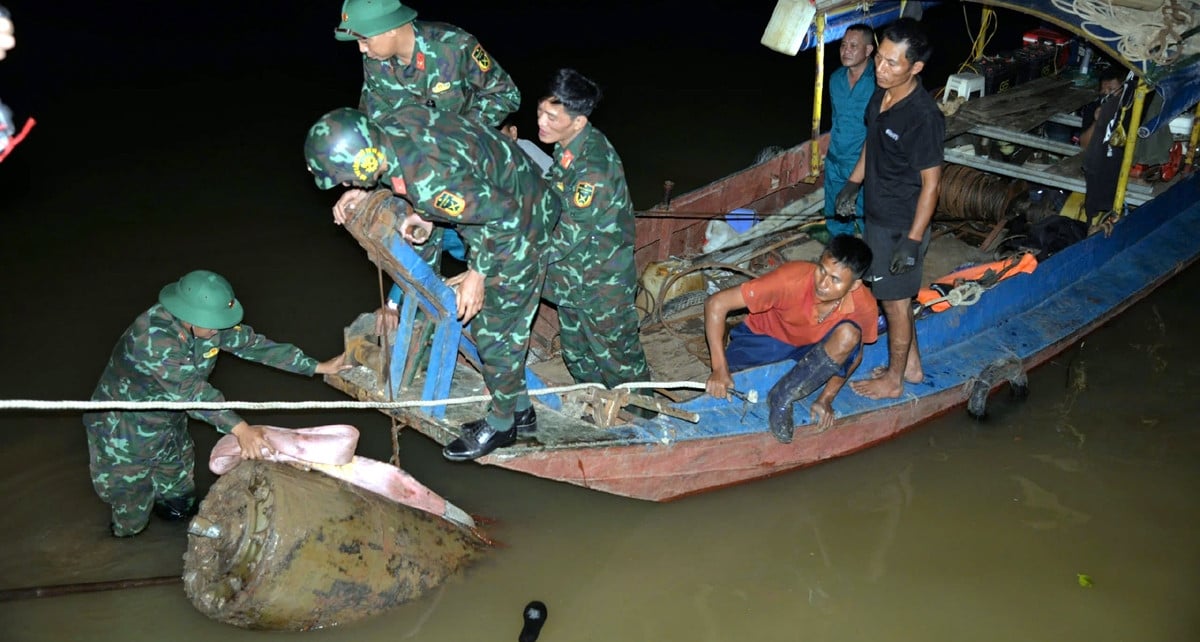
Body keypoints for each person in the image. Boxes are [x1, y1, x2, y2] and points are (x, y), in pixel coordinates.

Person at [305, 105, 559, 461]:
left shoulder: (429, 184)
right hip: (509, 192)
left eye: (346, 178)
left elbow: (502, 216)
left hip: (522, 220)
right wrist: (368, 192)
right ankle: (521, 410)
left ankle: (504, 425)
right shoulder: (392, 125)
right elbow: (441, 175)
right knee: (488, 324)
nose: (346, 184)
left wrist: (477, 274)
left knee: (495, 330)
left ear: (363, 162)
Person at [84, 270, 348, 537]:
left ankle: (173, 535)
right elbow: (192, 393)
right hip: (123, 434)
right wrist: (241, 430)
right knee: (132, 510)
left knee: (180, 499)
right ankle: (125, 543)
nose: (217, 329)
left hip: (169, 423)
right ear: (188, 316)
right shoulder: (153, 338)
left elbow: (255, 345)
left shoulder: (208, 328)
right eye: (212, 323)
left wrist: (318, 366)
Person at [838, 17, 944, 400]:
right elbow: (873, 141)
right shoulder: (880, 92)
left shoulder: (923, 117)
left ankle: (895, 379)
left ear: (915, 67)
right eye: (880, 58)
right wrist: (854, 182)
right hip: (877, 216)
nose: (880, 69)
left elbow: (932, 185)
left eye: (892, 63)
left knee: (895, 304)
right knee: (893, 297)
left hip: (902, 226)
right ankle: (911, 367)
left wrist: (913, 242)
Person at [536, 68, 651, 393]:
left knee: (619, 362)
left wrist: (516, 257)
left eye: (552, 117)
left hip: (601, 284)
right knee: (577, 354)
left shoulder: (594, 169)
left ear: (578, 122)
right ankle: (594, 404)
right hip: (571, 282)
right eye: (541, 111)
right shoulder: (567, 146)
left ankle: (647, 422)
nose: (542, 122)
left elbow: (565, 238)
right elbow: (552, 193)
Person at [704, 235, 878, 441]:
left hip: (811, 345)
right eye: (822, 270)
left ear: (855, 285)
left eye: (835, 280)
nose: (823, 283)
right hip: (764, 339)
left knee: (850, 335)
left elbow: (855, 355)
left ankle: (782, 398)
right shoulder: (790, 279)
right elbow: (716, 303)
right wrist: (719, 368)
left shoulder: (864, 304)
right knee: (731, 383)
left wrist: (826, 398)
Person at [334, 0, 520, 127]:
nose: (362, 49)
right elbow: (375, 117)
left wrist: (462, 130)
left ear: (390, 30)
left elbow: (506, 95)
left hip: (465, 159)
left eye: (365, 40)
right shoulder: (375, 62)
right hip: (415, 164)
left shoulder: (455, 47)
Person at [825, 23, 876, 238]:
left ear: (868, 50)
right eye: (843, 45)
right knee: (836, 213)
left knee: (869, 217)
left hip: (864, 163)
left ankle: (872, 256)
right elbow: (836, 119)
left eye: (854, 46)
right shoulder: (835, 79)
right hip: (835, 158)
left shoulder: (879, 82)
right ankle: (839, 249)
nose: (846, 50)